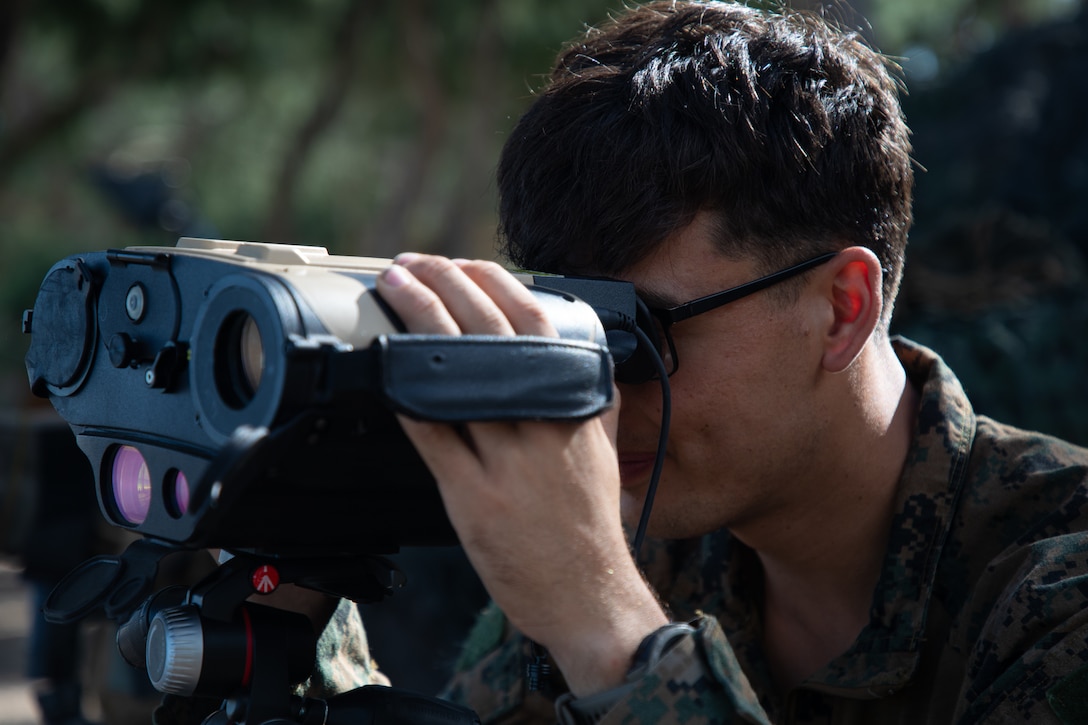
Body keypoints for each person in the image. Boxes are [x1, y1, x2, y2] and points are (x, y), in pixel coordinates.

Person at [370, 1, 1088, 723]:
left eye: (639, 332)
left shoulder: (1059, 589)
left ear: (842, 308)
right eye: (571, 327)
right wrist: (293, 607)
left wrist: (604, 627)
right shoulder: (646, 543)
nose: (601, 387)